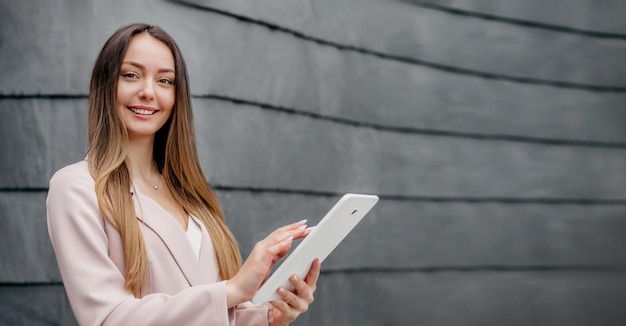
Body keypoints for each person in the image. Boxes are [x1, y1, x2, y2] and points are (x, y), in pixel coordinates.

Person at [46, 23, 320, 326]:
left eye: (165, 80)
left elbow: (214, 314)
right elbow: (108, 318)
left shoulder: (191, 195)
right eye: (131, 75)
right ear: (105, 84)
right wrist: (231, 290)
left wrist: (268, 316)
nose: (148, 92)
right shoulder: (76, 188)